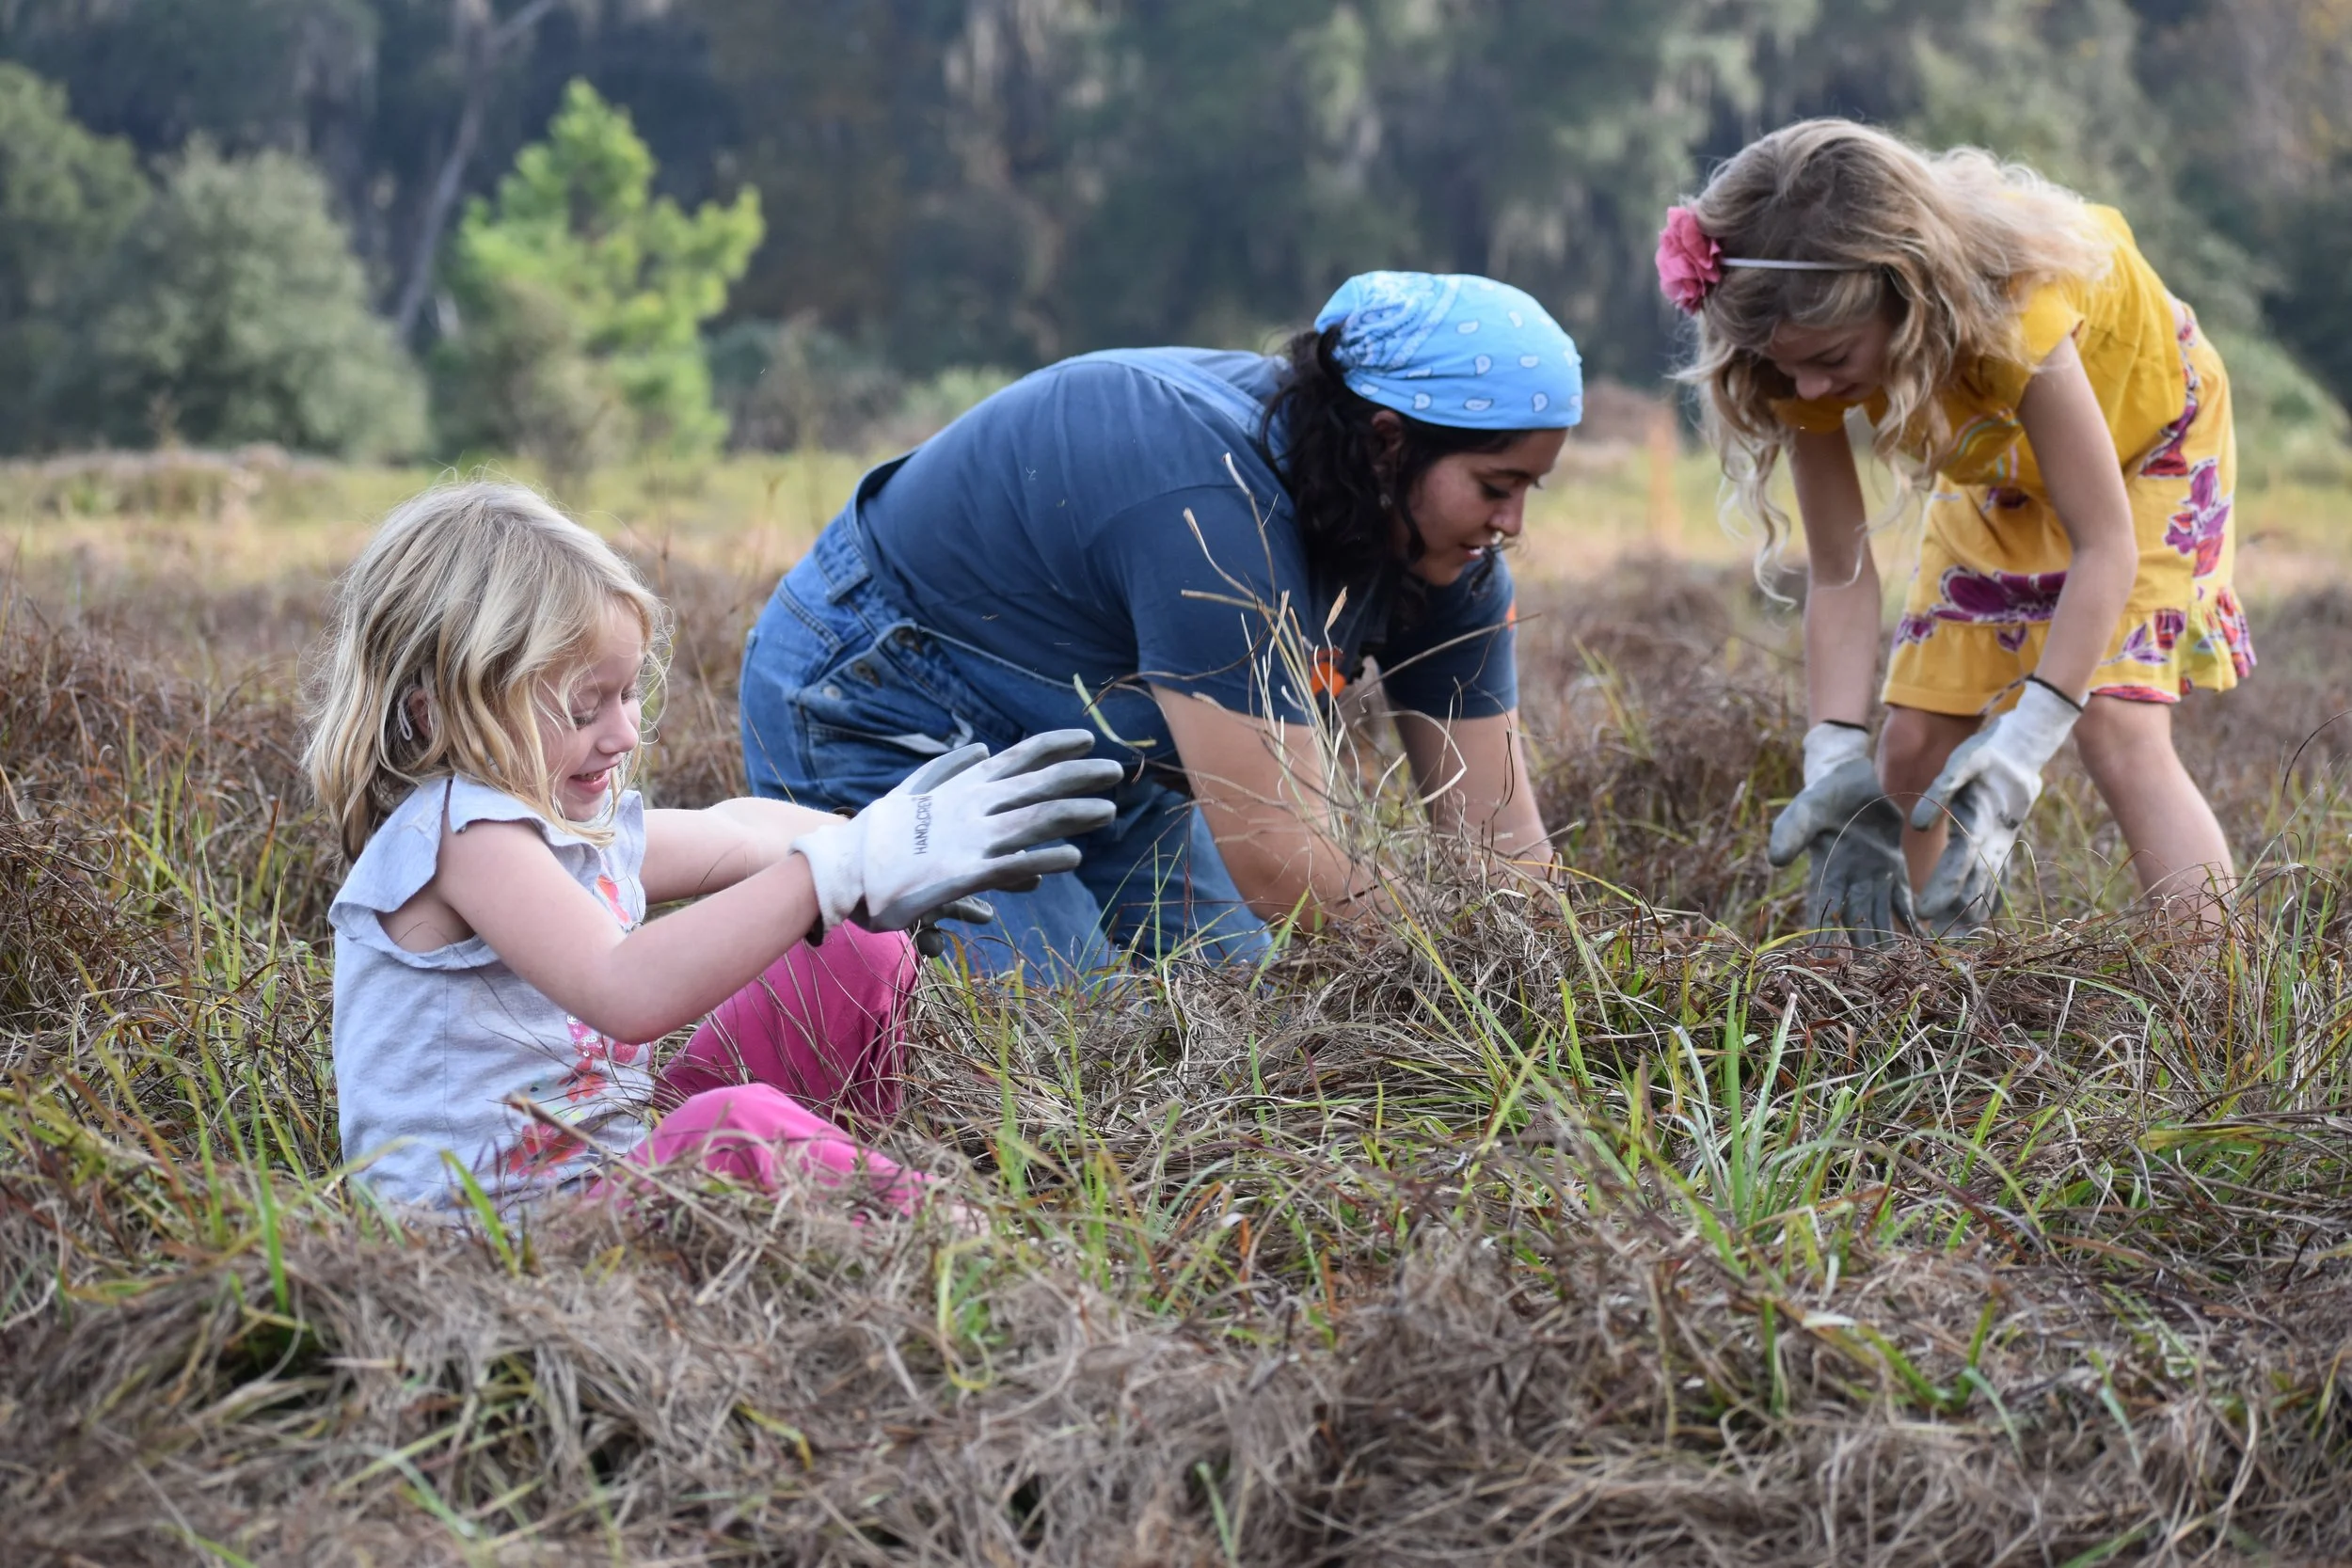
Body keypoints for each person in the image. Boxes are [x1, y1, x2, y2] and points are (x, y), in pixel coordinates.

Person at [305, 481, 1120, 1214]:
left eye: (626, 693)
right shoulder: (460, 833)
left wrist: (877, 841)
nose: (622, 732)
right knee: (731, 1128)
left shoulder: (565, 830)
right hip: (500, 1235)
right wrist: (836, 871)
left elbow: (736, 831)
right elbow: (624, 989)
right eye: (583, 707)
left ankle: (827, 1195)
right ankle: (951, 1245)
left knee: (858, 944)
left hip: (609, 1168)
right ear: (435, 713)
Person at [739, 272, 1583, 976]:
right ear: (1389, 444)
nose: (1511, 523)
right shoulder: (1212, 513)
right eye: (1495, 484)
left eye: (1529, 491)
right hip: (886, 701)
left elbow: (1502, 841)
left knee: (1244, 991)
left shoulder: (1453, 555)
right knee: (1067, 1037)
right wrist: (1461, 989)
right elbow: (1281, 858)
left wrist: (1557, 987)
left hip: (1094, 741)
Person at [1659, 119, 2250, 938]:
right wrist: (1833, 758)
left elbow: (2104, 543)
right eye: (1786, 362)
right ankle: (1932, 985)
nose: (1809, 385)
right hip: (2002, 470)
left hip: (2147, 454)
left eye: (1831, 358)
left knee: (2118, 724)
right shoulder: (1792, 352)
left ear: (1910, 297)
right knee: (1910, 748)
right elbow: (1838, 570)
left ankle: (2219, 998)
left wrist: (2019, 756)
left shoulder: (2014, 310)